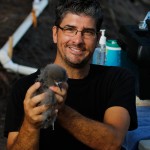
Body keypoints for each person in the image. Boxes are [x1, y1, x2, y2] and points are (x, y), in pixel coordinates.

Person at [4, 0, 137, 149]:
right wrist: (30, 125)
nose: (78, 40)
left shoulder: (118, 80)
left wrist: (60, 111)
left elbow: (112, 143)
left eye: (87, 32)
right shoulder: (25, 89)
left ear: (98, 38)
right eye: (69, 29)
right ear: (55, 33)